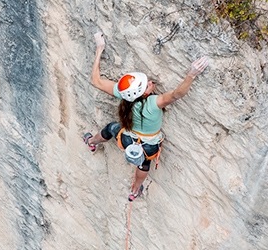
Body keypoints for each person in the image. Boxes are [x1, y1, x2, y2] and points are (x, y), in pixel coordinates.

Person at [84, 32, 210, 201]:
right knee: (144, 163)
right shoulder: (154, 103)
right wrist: (191, 74)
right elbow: (176, 94)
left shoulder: (125, 95)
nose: (151, 82)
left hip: (128, 140)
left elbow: (96, 81)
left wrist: (99, 49)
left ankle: (91, 142)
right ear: (142, 93)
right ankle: (134, 191)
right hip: (148, 146)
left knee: (111, 128)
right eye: (147, 85)